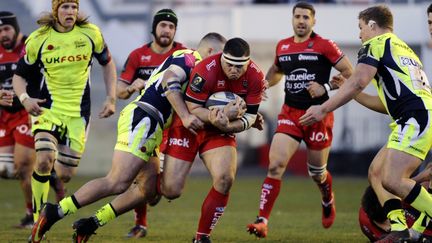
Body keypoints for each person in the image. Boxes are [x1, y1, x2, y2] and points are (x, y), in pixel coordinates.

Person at [30, 32, 227, 243]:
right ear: (209, 51)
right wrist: (186, 116)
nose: (219, 64)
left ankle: (90, 224)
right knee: (117, 182)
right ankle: (55, 212)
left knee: (147, 188)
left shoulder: (194, 66)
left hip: (151, 121)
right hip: (145, 117)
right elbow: (170, 82)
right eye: (220, 57)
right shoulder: (189, 58)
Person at [300, 5, 432, 242]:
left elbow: (359, 81)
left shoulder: (375, 44)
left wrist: (323, 108)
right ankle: (400, 230)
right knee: (377, 173)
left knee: (392, 180)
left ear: (372, 25)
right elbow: (384, 104)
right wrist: (349, 87)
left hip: (415, 118)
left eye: (360, 28)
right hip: (414, 116)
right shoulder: (403, 49)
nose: (359, 35)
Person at [246, 1, 353, 238]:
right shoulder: (283, 46)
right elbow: (276, 71)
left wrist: (325, 87)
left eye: (306, 17)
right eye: (298, 16)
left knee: (317, 172)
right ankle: (262, 220)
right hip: (290, 113)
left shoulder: (324, 45)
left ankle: (327, 197)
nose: (301, 21)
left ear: (314, 21)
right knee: (275, 165)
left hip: (318, 115)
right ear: (292, 19)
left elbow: (350, 74)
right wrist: (264, 83)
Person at [12, 0, 117, 227]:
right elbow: (19, 76)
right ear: (55, 10)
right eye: (65, 7)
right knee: (43, 160)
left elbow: (108, 64)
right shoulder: (39, 39)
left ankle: (57, 189)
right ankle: (40, 218)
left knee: (66, 173)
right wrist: (25, 99)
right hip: (47, 110)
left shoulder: (91, 34)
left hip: (78, 114)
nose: (70, 12)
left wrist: (111, 97)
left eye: (73, 7)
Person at [159, 37, 265, 243]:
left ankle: (201, 237)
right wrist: (217, 116)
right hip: (189, 125)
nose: (234, 70)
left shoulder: (256, 77)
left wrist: (227, 126)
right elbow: (192, 109)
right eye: (229, 64)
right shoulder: (205, 69)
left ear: (248, 63)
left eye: (239, 66)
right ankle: (145, 184)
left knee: (225, 179)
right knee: (170, 190)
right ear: (222, 58)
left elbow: (251, 117)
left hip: (219, 131)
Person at [117, 8, 187, 238]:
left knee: (160, 191)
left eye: (171, 26)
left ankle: (149, 198)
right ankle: (140, 224)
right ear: (154, 28)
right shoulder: (138, 55)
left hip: (173, 124)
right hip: (145, 122)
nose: (167, 30)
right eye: (163, 25)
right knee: (141, 177)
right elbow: (119, 90)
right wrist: (130, 87)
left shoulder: (183, 53)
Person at [0, 11, 37, 229]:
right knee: (5, 171)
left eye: (6, 29)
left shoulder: (30, 45)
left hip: (27, 113)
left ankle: (31, 214)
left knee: (23, 166)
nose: (3, 35)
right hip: (5, 117)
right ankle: (49, 176)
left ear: (15, 28)